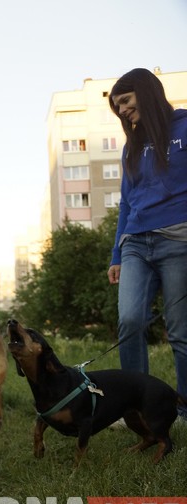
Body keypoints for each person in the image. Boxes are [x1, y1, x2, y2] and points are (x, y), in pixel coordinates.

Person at [106, 67, 187, 421]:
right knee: (129, 320)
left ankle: (184, 410)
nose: (123, 110)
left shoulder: (185, 127)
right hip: (136, 244)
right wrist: (116, 253)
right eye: (117, 106)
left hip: (179, 242)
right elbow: (126, 203)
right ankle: (135, 409)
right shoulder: (131, 147)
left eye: (125, 100)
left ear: (146, 91)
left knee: (181, 331)